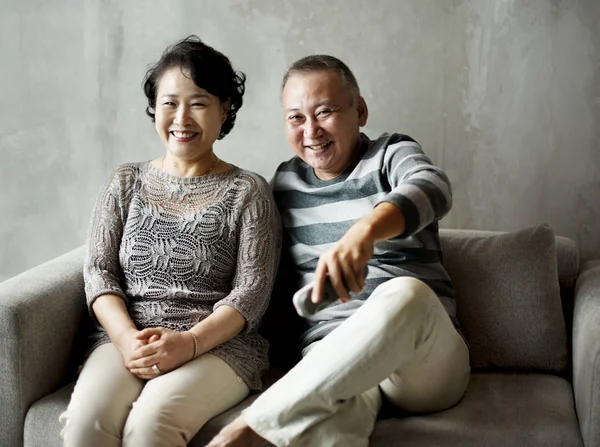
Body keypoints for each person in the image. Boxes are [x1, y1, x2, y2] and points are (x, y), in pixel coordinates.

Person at [207, 55, 470, 447]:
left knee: (407, 293)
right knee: (333, 433)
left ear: (359, 111)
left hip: (419, 364)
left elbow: (433, 185)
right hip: (334, 359)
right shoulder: (284, 185)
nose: (311, 130)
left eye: (325, 111)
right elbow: (252, 269)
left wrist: (365, 232)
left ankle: (248, 429)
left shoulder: (390, 154)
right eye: (296, 118)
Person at [59, 35, 281, 447]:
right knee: (85, 425)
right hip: (129, 337)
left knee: (150, 426)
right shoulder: (125, 181)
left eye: (198, 103)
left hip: (219, 346)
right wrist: (126, 339)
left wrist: (190, 343)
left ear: (225, 109)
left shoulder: (248, 191)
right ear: (154, 108)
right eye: (169, 102)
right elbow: (99, 271)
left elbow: (251, 294)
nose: (182, 117)